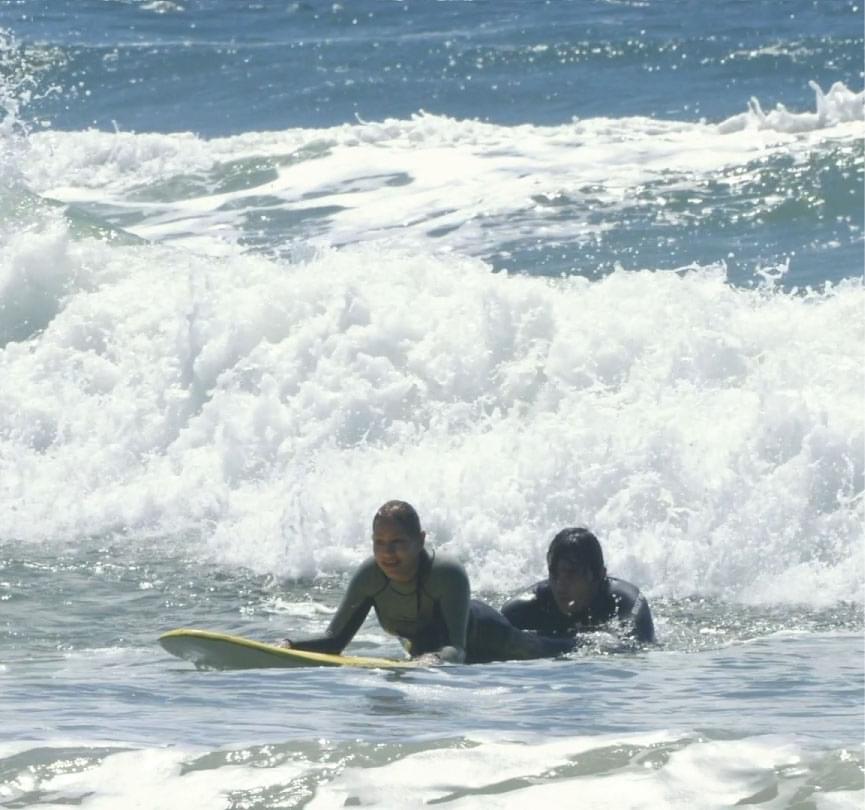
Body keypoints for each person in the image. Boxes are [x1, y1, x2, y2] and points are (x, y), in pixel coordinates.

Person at [283, 500, 576, 664]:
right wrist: (288, 645)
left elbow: (456, 651)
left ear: (421, 540)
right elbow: (334, 641)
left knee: (553, 650)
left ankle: (587, 643)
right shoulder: (369, 577)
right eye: (379, 542)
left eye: (398, 542)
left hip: (492, 638)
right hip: (429, 653)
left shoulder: (447, 573)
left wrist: (431, 661)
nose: (388, 553)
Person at [501, 527, 655, 644]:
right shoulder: (524, 609)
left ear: (599, 575)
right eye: (554, 574)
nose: (560, 585)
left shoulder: (626, 602)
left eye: (571, 574)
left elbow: (637, 651)